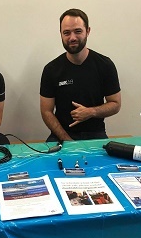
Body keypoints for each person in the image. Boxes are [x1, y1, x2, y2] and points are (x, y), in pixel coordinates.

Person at [40, 8, 121, 142]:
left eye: (78, 31)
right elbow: (46, 112)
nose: (72, 38)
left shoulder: (105, 65)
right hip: (61, 135)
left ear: (88, 31)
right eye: (66, 33)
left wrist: (91, 112)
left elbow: (116, 104)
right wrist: (67, 141)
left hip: (96, 134)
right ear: (60, 34)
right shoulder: (51, 69)